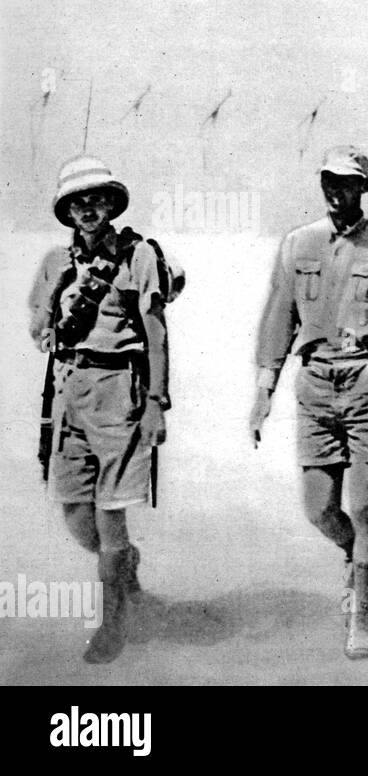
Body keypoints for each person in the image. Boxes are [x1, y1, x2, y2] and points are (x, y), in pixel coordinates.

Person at [251, 146, 368, 660]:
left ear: (363, 188)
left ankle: (362, 610)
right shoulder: (299, 243)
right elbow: (279, 319)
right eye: (328, 180)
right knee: (318, 508)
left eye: (346, 182)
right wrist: (263, 392)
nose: (335, 189)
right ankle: (357, 553)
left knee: (363, 504)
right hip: (317, 386)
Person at [30, 156, 171, 664]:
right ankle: (126, 571)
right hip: (68, 394)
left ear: (111, 204)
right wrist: (47, 322)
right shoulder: (55, 261)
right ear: (67, 211)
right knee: (74, 513)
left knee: (111, 518)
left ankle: (114, 623)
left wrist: (156, 404)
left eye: (96, 200)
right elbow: (38, 325)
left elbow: (155, 335)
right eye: (78, 203)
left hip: (120, 391)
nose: (88, 210)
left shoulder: (138, 257)